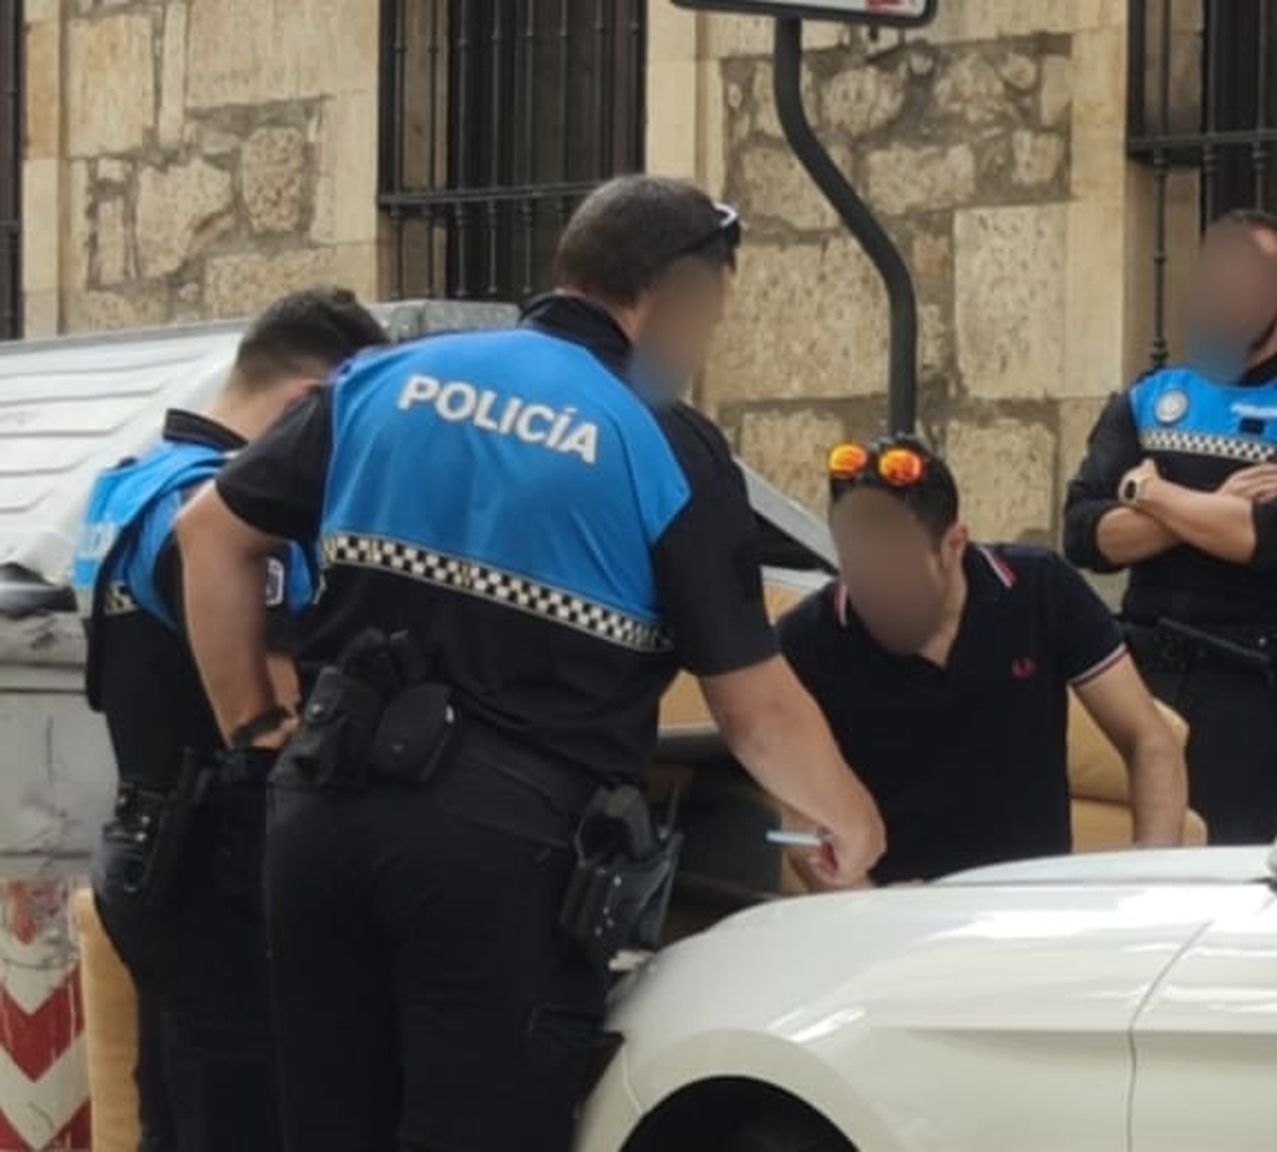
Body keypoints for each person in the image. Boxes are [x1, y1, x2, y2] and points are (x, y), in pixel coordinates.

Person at [172, 176, 887, 1152]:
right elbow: (754, 710)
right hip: (500, 857)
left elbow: (208, 533)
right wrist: (848, 819)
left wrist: (255, 727)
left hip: (318, 823)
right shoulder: (661, 442)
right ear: (673, 296)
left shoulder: (384, 381)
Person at [72, 288, 391, 1152]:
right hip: (223, 867)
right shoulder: (232, 518)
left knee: (172, 1116)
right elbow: (282, 713)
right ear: (303, 408)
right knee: (244, 1114)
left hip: (145, 849)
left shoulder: (124, 486)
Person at [1063, 209, 1277, 845]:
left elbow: (1258, 539)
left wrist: (1149, 491)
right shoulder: (1149, 398)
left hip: (1247, 691)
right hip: (1140, 677)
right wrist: (1212, 504)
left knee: (1217, 876)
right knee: (1124, 867)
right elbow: (1087, 536)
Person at [779, 437, 1188, 885]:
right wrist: (871, 908)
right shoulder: (808, 640)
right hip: (893, 910)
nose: (876, 592)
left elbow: (1148, 740)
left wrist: (1153, 873)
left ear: (955, 544)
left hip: (1031, 902)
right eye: (856, 564)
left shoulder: (1040, 591)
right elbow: (802, 826)